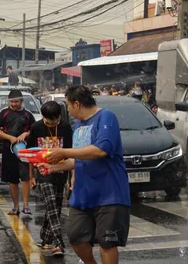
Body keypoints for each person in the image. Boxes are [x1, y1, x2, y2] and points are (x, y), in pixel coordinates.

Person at [40, 85, 131, 264]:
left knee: (107, 243)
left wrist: (64, 152)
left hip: (109, 194)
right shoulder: (78, 125)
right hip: (83, 194)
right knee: (76, 237)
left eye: (68, 105)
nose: (68, 110)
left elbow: (100, 150)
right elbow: (79, 158)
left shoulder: (106, 117)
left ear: (77, 103)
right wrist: (53, 167)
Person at [27, 101, 73, 257]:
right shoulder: (36, 128)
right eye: (47, 119)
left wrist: (72, 178)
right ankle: (58, 243)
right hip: (43, 173)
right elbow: (31, 154)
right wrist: (31, 176)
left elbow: (71, 153)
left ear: (59, 116)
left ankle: (46, 238)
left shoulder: (66, 127)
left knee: (55, 207)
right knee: (51, 203)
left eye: (53, 120)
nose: (50, 122)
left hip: (61, 172)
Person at [0, 89, 35, 216]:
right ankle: (16, 206)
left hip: (24, 150)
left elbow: (34, 130)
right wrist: (9, 137)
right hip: (8, 149)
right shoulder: (4, 113)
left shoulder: (28, 115)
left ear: (21, 101)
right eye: (11, 102)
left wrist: (26, 133)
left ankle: (26, 206)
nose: (13, 104)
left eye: (16, 102)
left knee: (25, 177)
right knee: (12, 179)